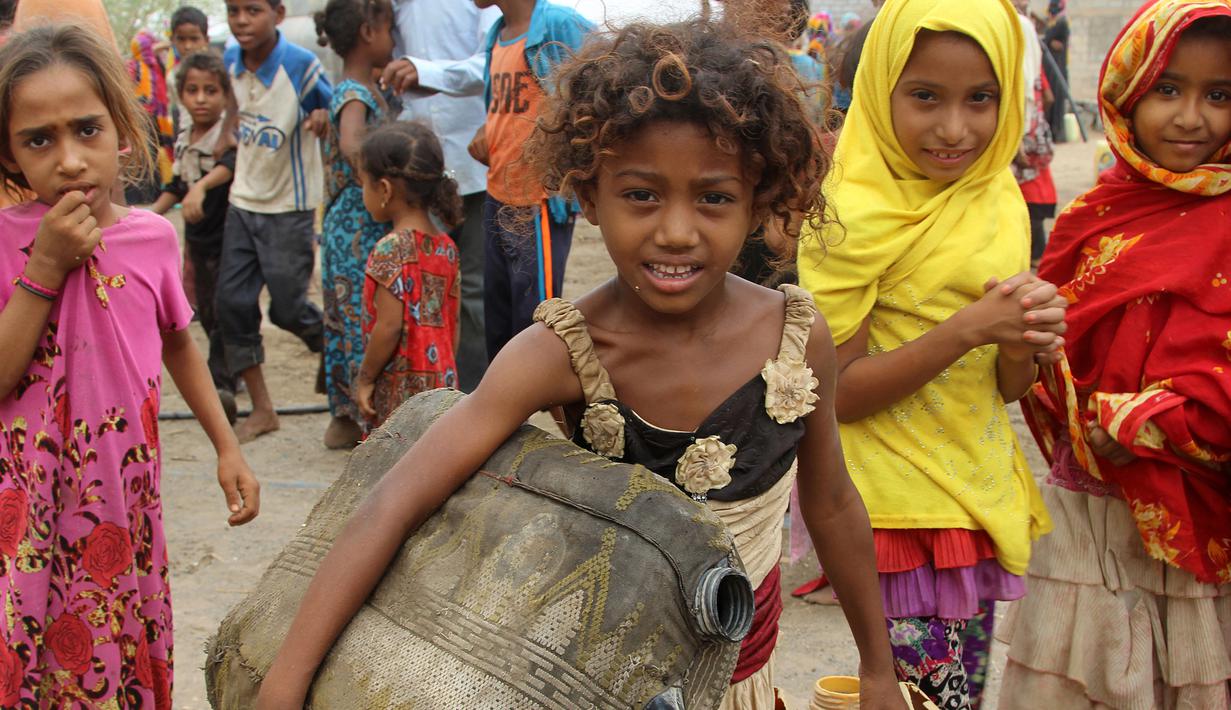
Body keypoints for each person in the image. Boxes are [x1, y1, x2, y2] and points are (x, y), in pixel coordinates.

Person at [255, 17, 903, 710]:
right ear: (589, 197)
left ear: (758, 200)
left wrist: (876, 668)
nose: (676, 230)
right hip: (596, 686)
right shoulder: (561, 351)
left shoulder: (796, 338)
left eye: (713, 197)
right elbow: (394, 502)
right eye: (641, 195)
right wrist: (286, 682)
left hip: (744, 679)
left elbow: (831, 503)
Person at [796, 0, 1066, 707]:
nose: (955, 129)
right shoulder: (846, 216)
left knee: (953, 701)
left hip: (970, 499)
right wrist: (969, 329)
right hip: (885, 509)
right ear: (880, 90)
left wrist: (1027, 337)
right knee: (910, 697)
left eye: (981, 99)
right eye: (924, 97)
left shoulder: (994, 196)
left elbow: (1003, 387)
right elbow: (839, 394)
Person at [0, 24, 260, 706]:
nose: (69, 159)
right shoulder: (5, 244)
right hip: (26, 503)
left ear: (121, 129)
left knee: (116, 643)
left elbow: (178, 342)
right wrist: (45, 268)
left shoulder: (150, 237)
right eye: (39, 140)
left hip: (122, 494)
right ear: (9, 151)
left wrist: (225, 445)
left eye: (86, 130)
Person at [1001, 2, 1231, 707]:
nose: (1190, 117)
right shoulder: (1089, 217)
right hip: (1090, 515)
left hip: (1197, 513)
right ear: (1126, 91)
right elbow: (1042, 360)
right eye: (1167, 89)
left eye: (1218, 95)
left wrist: (1156, 419)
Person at [219, 0, 331, 442]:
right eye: (233, 11)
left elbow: (331, 105)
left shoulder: (300, 66)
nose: (242, 21)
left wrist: (322, 115)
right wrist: (228, 128)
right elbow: (234, 105)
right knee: (232, 302)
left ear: (278, 14)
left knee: (287, 309)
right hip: (244, 200)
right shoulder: (231, 58)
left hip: (289, 206)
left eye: (253, 10)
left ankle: (332, 346)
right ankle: (263, 408)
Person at [381, 0, 501, 394]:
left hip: (471, 162)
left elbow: (487, 63)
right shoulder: (392, 8)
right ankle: (424, 397)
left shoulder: (475, 5)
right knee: (416, 286)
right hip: (415, 171)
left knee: (472, 290)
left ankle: (470, 400)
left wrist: (425, 71)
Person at [468, 0, 592, 363]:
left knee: (535, 321)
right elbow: (511, 107)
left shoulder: (560, 26)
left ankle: (555, 412)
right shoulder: (497, 35)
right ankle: (507, 414)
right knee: (499, 317)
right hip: (497, 194)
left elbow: (600, 93)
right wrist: (487, 131)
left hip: (536, 200)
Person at [314, 0, 396, 449]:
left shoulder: (361, 88)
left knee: (354, 315)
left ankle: (347, 416)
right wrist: (385, 172)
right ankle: (360, 415)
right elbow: (351, 144)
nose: (394, 39)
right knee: (360, 317)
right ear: (369, 31)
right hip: (356, 226)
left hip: (353, 222)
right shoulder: (354, 93)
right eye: (389, 29)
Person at [150, 50, 240, 423]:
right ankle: (229, 371)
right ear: (181, 95)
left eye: (210, 91)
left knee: (223, 308)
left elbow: (229, 165)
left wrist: (202, 187)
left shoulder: (227, 135)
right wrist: (150, 215)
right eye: (193, 91)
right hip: (197, 241)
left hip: (226, 237)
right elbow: (178, 183)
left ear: (224, 95)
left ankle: (223, 384)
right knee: (203, 308)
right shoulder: (186, 135)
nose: (201, 99)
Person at [355, 122, 462, 428]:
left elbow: (387, 327)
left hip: (400, 390)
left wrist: (365, 378)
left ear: (385, 189)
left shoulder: (390, 249)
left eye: (364, 183)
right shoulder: (447, 248)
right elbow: (453, 326)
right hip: (443, 384)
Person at [1012, 0, 1057, 268]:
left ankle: (1033, 259)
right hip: (1032, 121)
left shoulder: (1017, 26)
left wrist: (1022, 129)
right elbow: (1047, 95)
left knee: (1024, 195)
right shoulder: (1026, 28)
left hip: (1023, 122)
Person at [1042, 0, 1069, 141]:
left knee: (1057, 100)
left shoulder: (1062, 23)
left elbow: (1046, 39)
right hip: (1050, 69)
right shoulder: (1053, 23)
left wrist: (1048, 40)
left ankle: (1056, 133)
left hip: (1057, 69)